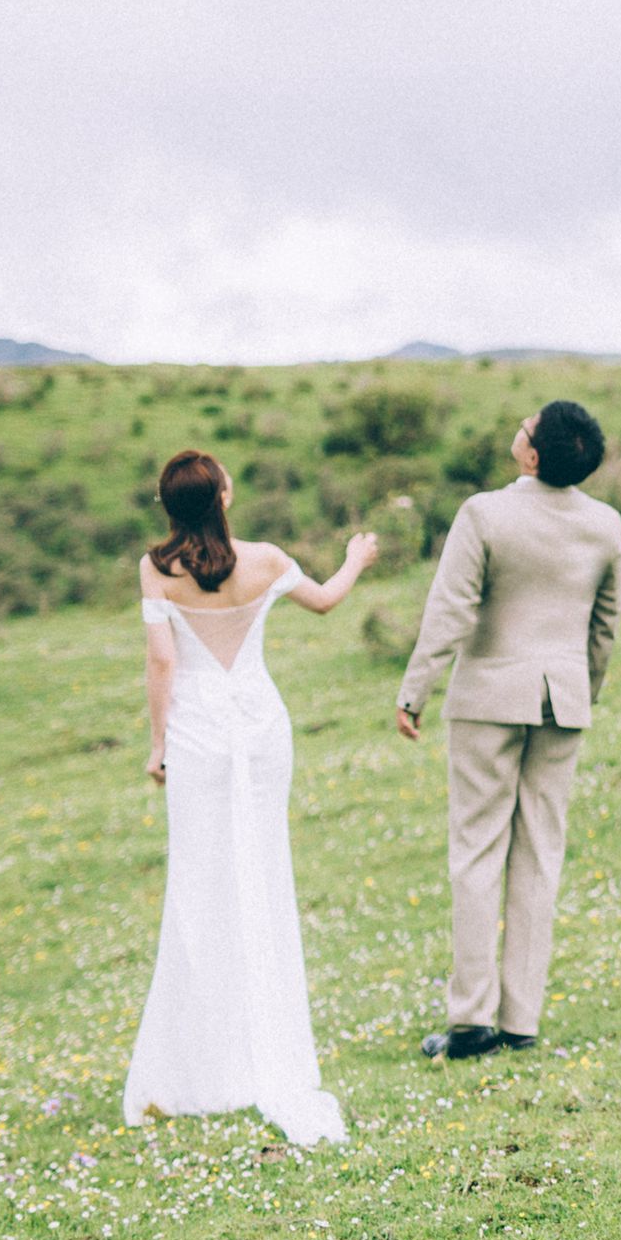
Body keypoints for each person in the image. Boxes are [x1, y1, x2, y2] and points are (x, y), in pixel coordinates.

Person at [123, 450, 378, 1145]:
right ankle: (263, 1046)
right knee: (263, 876)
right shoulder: (263, 560)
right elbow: (326, 599)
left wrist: (158, 744)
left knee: (199, 885)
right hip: (261, 727)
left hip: (200, 733)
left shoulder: (157, 569)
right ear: (225, 495)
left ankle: (203, 1061)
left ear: (170, 507)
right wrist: (356, 557)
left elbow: (163, 660)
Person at [396, 400, 621, 1062]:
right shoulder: (605, 526)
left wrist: (415, 690)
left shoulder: (484, 513)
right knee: (539, 857)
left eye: (522, 427)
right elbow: (604, 628)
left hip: (487, 700)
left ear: (530, 454)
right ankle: (521, 1018)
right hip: (564, 704)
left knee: (476, 854)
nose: (516, 430)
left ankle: (471, 1021)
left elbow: (451, 610)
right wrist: (586, 692)